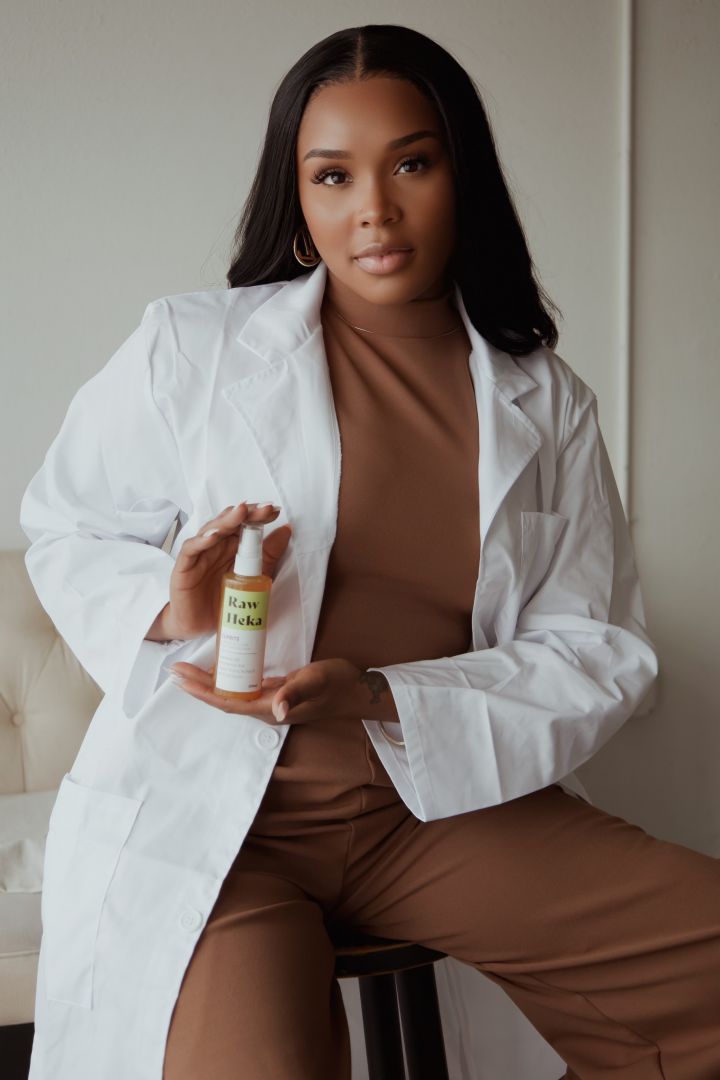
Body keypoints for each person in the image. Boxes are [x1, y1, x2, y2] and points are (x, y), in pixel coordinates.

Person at [19, 22, 720, 1080]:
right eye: (333, 175)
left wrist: (384, 696)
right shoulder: (193, 347)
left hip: (434, 810)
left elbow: (595, 646)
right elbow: (67, 521)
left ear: (462, 177)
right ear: (299, 201)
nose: (375, 210)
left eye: (412, 165)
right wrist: (174, 605)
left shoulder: (547, 401)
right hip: (221, 823)